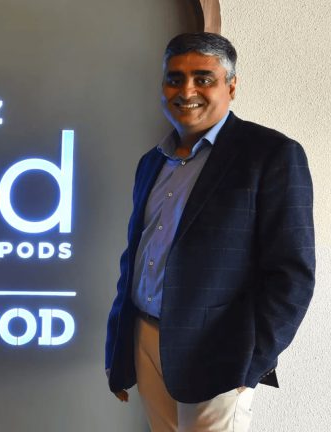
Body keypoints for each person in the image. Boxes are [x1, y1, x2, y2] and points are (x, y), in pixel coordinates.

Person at [105, 32, 314, 431]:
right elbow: (137, 256)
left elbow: (293, 273)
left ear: (231, 86)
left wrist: (253, 361)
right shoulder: (152, 161)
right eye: (175, 79)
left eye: (203, 78)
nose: (187, 91)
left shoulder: (270, 154)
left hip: (219, 352)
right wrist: (119, 344)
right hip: (146, 337)